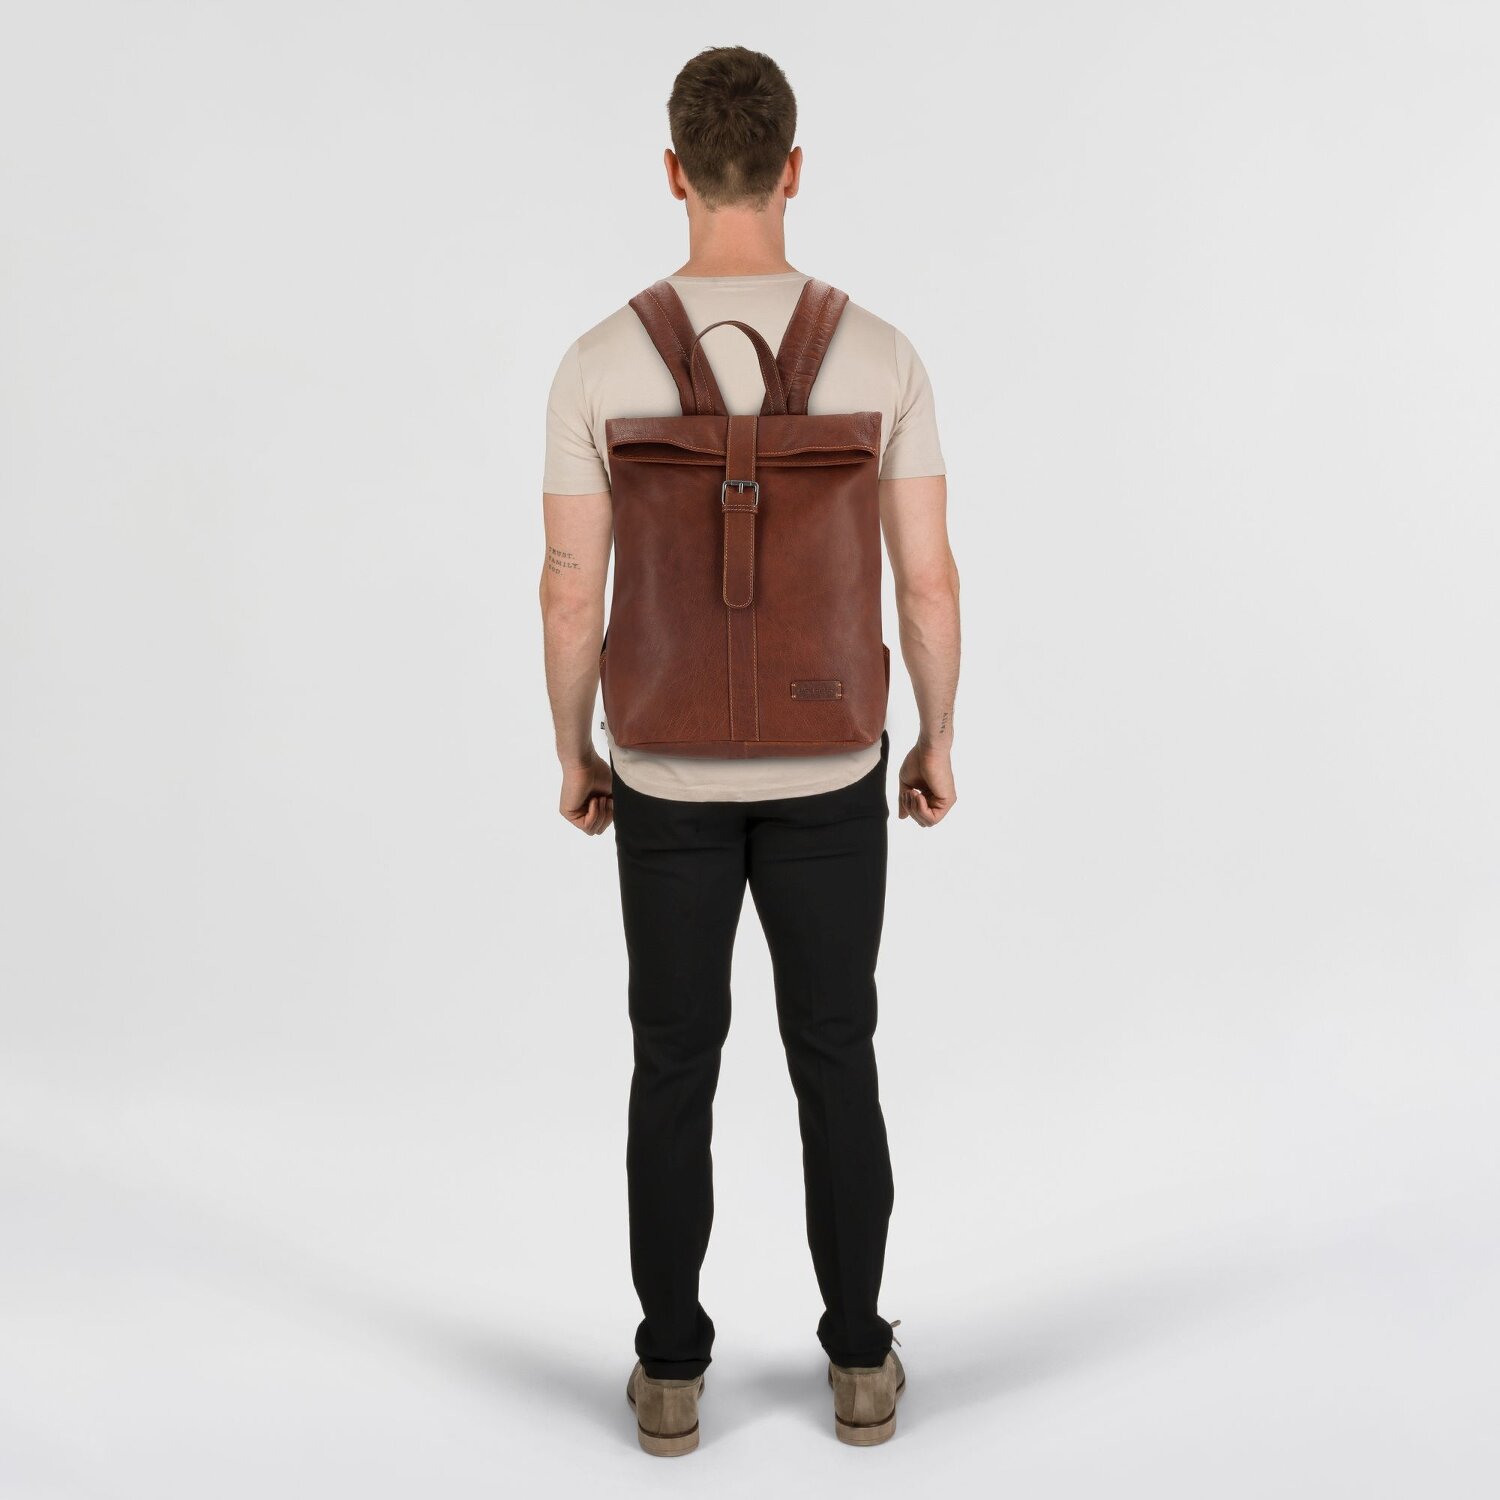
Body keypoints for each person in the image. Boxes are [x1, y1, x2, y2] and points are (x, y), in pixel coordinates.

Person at [538, 45, 960, 1454]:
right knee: (836, 1052)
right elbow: (928, 580)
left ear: (675, 171)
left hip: (662, 768)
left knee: (674, 1063)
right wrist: (935, 735)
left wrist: (577, 750)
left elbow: (568, 590)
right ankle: (859, 1363)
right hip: (832, 763)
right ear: (793, 169)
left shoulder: (598, 361)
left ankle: (670, 1375)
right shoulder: (881, 355)